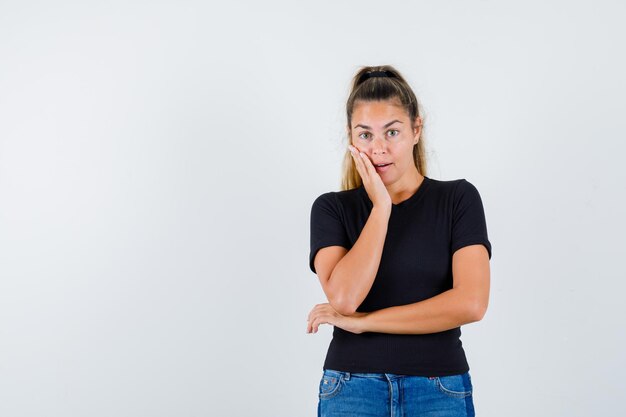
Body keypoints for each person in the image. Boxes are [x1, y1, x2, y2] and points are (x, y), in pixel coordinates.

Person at [306, 65, 492, 417]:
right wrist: (381, 207)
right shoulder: (331, 208)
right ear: (350, 137)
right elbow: (345, 299)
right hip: (351, 389)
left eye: (392, 132)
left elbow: (471, 304)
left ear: (416, 129)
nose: (378, 148)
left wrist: (365, 322)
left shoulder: (457, 199)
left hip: (439, 389)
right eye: (365, 135)